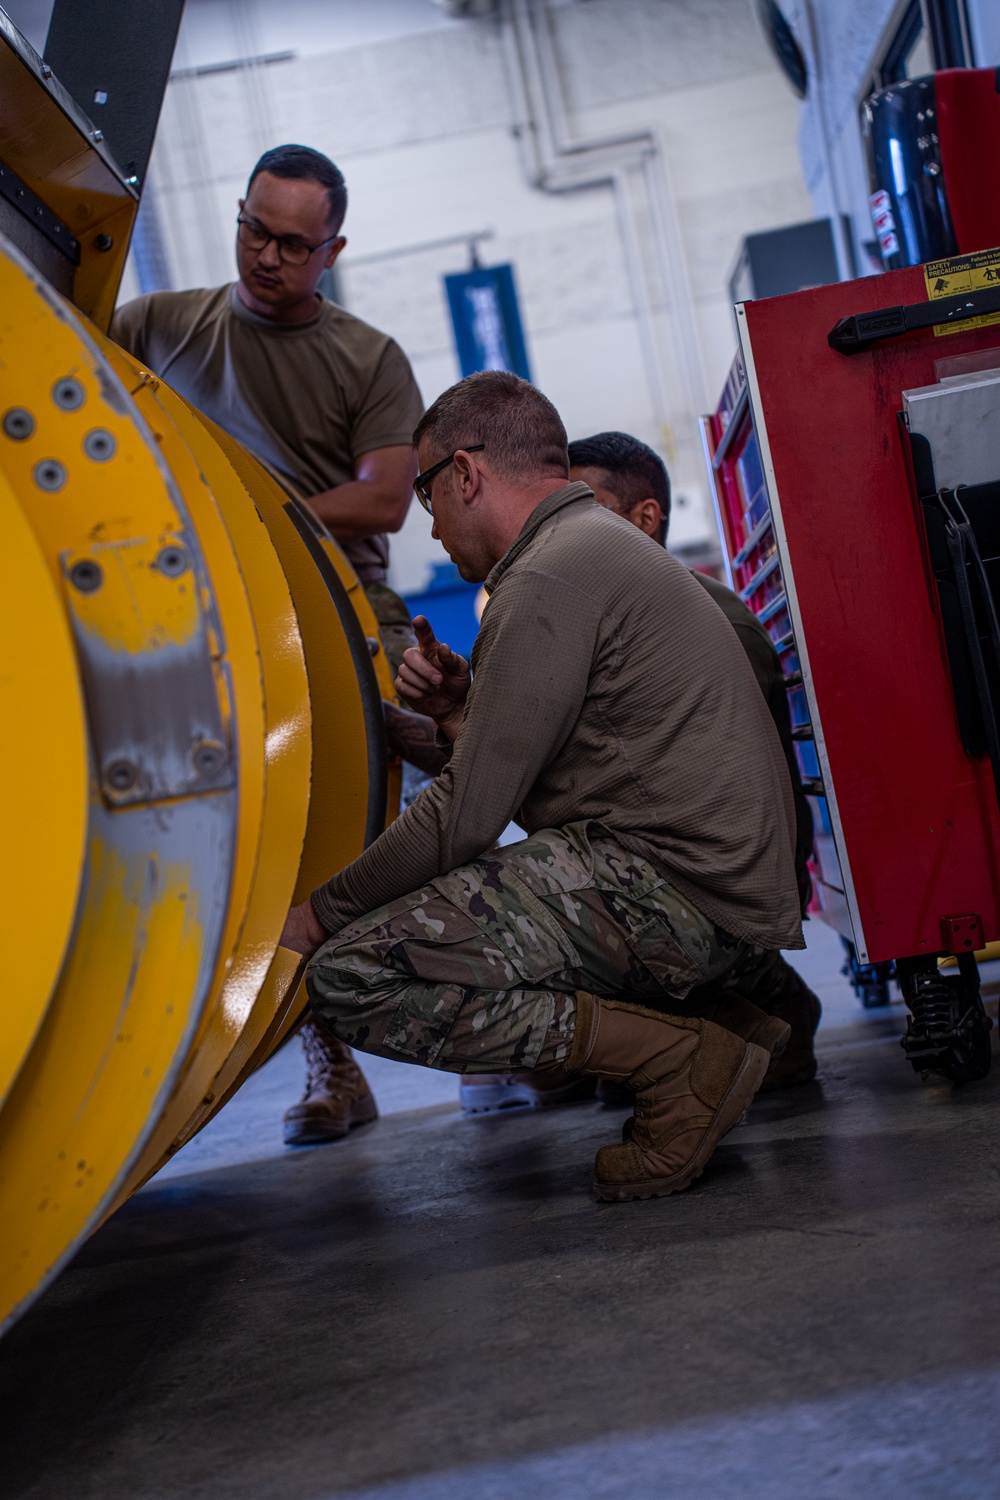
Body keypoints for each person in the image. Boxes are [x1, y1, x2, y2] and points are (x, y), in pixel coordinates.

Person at [280, 370, 805, 1203]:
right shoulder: (592, 547)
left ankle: (680, 1062)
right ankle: (722, 1026)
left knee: (351, 973)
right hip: (719, 891)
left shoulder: (546, 579)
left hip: (679, 896)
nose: (434, 531)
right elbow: (559, 774)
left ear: (464, 474)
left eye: (428, 497)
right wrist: (462, 716)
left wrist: (318, 914)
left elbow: (464, 820)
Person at [112, 143, 425, 1148]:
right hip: (196, 627)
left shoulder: (366, 359)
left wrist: (235, 517)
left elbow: (384, 499)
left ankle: (504, 1037)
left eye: (294, 243)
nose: (268, 257)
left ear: (331, 249)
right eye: (256, 230)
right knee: (242, 857)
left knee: (395, 831)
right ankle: (326, 1062)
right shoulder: (157, 328)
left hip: (338, 620)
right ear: (237, 215)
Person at [458, 429, 821, 1116]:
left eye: (584, 506)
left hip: (713, 882)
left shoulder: (710, 621)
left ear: (643, 519)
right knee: (556, 1067)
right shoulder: (594, 618)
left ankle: (764, 1000)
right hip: (666, 867)